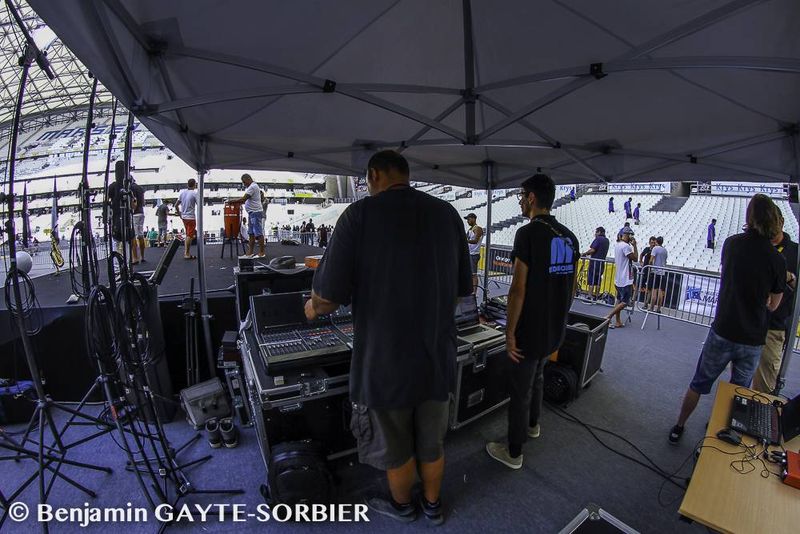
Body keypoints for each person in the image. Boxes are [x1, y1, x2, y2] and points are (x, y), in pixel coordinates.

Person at [304, 150, 472, 525]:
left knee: (395, 449)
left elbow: (328, 298)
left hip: (384, 365)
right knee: (431, 443)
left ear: (374, 175)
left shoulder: (360, 215)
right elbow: (466, 287)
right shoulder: (447, 214)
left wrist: (312, 308)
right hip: (436, 359)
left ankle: (403, 507)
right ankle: (432, 505)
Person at [669, 194, 785, 444]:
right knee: (738, 393)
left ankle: (679, 426)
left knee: (698, 383)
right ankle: (722, 435)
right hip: (752, 339)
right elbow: (774, 305)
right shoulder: (777, 259)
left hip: (723, 330)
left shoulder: (731, 244)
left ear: (750, 217)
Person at [486, 173, 579, 470]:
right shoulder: (569, 236)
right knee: (539, 375)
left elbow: (517, 289)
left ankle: (513, 452)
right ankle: (533, 426)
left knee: (520, 390)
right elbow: (573, 287)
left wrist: (510, 333)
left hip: (530, 330)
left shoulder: (527, 234)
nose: (520, 201)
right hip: (555, 329)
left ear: (531, 198)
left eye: (522, 196)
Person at [753, 211, 798, 394]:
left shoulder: (796, 252)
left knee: (765, 383)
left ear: (782, 222)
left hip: (774, 326)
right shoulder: (756, 247)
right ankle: (731, 416)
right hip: (749, 321)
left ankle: (759, 420)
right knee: (740, 377)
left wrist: (787, 277)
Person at [227, 174, 265, 257]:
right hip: (252, 213)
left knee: (258, 233)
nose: (244, 184)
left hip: (255, 213)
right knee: (251, 233)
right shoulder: (253, 186)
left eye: (244, 182)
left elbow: (243, 199)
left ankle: (262, 252)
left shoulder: (252, 187)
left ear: (248, 179)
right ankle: (250, 252)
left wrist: (232, 201)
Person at [607, 227, 638, 328]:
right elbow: (635, 258)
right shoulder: (626, 247)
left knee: (619, 300)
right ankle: (609, 316)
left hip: (619, 277)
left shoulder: (618, 245)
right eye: (630, 236)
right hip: (625, 279)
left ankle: (618, 321)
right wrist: (635, 246)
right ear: (628, 235)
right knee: (625, 302)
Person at [582, 227, 609, 302]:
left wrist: (585, 253)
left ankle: (589, 296)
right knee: (598, 279)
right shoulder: (607, 240)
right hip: (601, 263)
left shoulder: (598, 239)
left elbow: (593, 249)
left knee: (591, 278)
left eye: (596, 232)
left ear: (599, 232)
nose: (595, 234)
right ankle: (596, 296)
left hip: (594, 262)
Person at [174, 178, 199, 259]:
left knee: (188, 234)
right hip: (191, 217)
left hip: (184, 217)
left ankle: (187, 252)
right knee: (189, 235)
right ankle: (187, 253)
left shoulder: (182, 193)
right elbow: (199, 205)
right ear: (194, 184)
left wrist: (180, 214)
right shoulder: (194, 193)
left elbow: (176, 205)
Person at [464, 212, 484, 295]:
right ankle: (469, 289)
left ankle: (474, 292)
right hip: (469, 253)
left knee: (473, 274)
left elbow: (475, 241)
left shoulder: (478, 228)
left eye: (468, 219)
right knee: (469, 273)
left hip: (474, 254)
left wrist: (464, 241)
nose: (467, 221)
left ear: (473, 218)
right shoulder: (470, 229)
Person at [649, 236, 669, 313]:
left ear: (656, 241)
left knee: (654, 291)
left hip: (655, 272)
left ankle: (651, 308)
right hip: (662, 272)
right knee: (660, 291)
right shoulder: (665, 250)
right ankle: (658, 309)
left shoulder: (655, 248)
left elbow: (651, 259)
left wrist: (650, 267)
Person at [130, 177, 146, 263]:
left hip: (134, 213)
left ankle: (135, 258)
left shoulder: (131, 188)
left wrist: (131, 209)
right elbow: (143, 202)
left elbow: (134, 201)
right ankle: (142, 257)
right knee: (140, 235)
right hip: (141, 212)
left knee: (133, 236)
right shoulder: (140, 188)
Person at [640, 236, 657, 308]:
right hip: (645, 269)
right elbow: (641, 254)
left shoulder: (656, 250)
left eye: (654, 243)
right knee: (638, 285)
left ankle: (646, 303)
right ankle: (633, 300)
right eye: (652, 242)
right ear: (649, 242)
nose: (653, 244)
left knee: (649, 288)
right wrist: (640, 261)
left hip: (651, 271)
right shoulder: (646, 249)